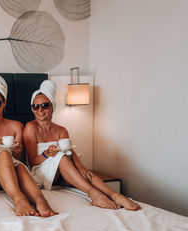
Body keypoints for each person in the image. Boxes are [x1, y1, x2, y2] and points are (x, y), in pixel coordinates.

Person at [23, 80, 141, 210]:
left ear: (52, 106)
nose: (40, 110)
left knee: (85, 173)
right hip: (41, 172)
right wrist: (47, 153)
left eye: (45, 105)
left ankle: (114, 195)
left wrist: (81, 168)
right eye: (35, 106)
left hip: (61, 173)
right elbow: (33, 162)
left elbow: (71, 152)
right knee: (62, 158)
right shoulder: (30, 128)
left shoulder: (62, 130)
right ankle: (92, 193)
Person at [0, 73, 56, 217]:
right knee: (4, 154)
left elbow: (21, 160)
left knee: (20, 168)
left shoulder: (16, 126)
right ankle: (19, 199)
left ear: (4, 103)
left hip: (12, 169)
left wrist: (17, 150)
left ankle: (40, 200)